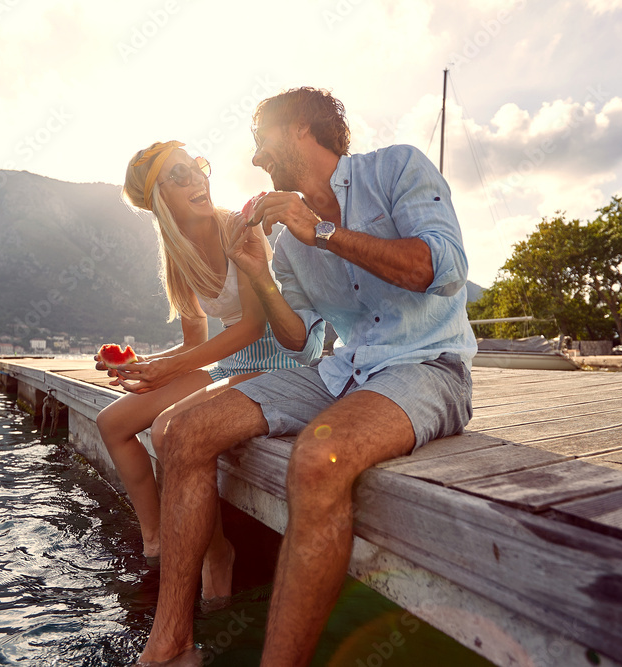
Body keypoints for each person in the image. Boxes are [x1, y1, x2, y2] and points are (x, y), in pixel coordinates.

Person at [138, 87, 478, 666]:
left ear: (300, 129)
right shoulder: (284, 234)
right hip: (342, 369)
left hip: (428, 365)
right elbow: (299, 338)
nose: (253, 160)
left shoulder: (397, 168)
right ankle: (170, 646)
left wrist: (319, 229)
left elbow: (437, 268)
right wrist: (260, 273)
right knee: (179, 433)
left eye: (260, 141)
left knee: (317, 460)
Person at [94, 140, 299, 601]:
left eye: (198, 167)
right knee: (113, 422)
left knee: (170, 428)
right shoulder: (179, 257)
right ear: (159, 199)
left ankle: (216, 554)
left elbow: (251, 326)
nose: (198, 178)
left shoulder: (236, 227)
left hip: (280, 357)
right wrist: (138, 365)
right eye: (180, 175)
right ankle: (158, 543)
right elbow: (195, 345)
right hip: (234, 359)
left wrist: (167, 370)